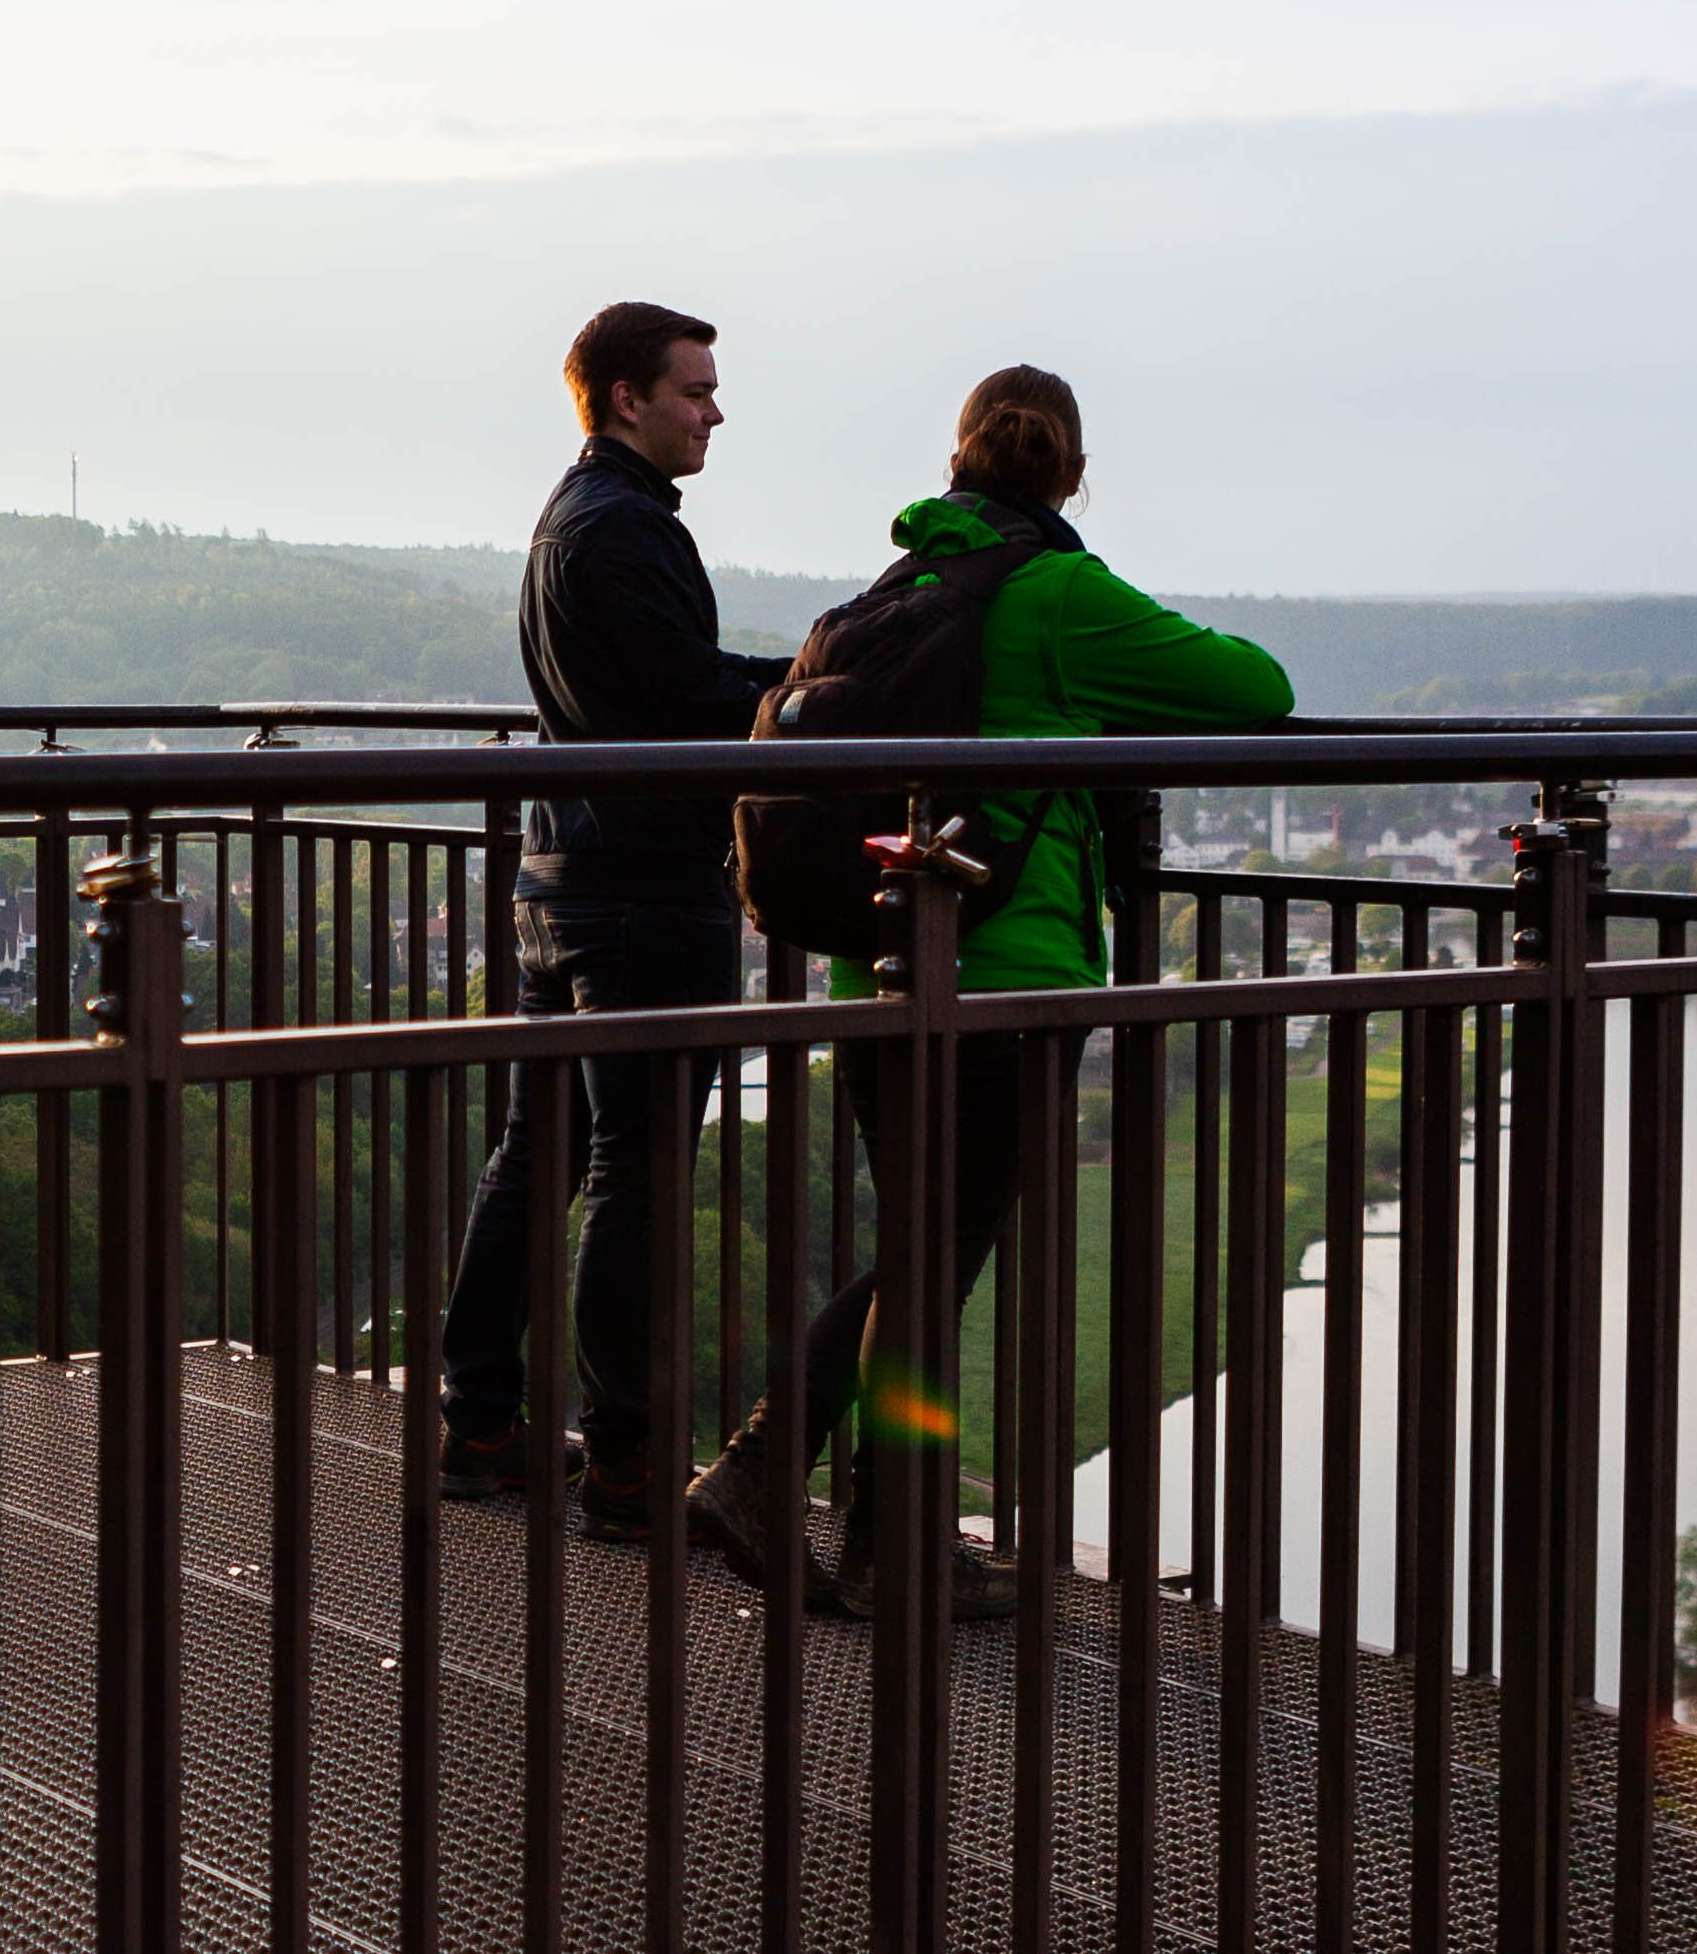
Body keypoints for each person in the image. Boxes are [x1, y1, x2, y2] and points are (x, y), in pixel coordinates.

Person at [685, 361, 1292, 1613]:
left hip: (876, 958)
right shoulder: (1057, 591)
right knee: (933, 1253)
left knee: (919, 1245)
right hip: (1005, 970)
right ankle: (768, 1475)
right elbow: (1257, 688)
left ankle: (882, 1536)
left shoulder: (892, 586)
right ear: (1069, 470)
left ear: (955, 461)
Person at [435, 300, 788, 1538]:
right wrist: (806, 687)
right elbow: (688, 703)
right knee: (631, 1173)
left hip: (564, 875)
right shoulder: (622, 533)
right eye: (694, 389)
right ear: (626, 397)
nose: (714, 409)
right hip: (639, 889)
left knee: (539, 1156)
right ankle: (626, 1460)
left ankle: (478, 1419)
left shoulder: (572, 520)